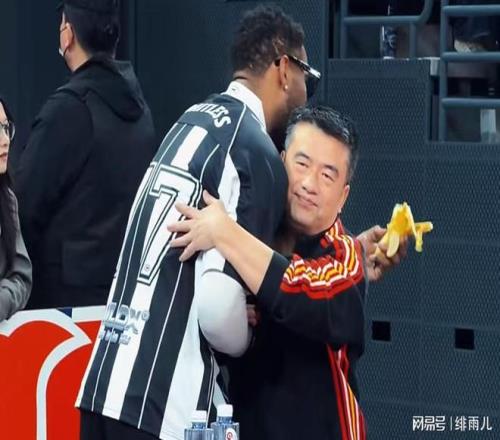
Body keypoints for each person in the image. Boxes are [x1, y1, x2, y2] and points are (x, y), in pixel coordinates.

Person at [77, 5, 316, 440]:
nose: (307, 91)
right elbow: (218, 310)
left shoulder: (188, 121)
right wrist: (247, 333)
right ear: (284, 68)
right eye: (307, 76)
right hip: (166, 407)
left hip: (102, 389)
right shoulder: (256, 152)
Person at [168, 106, 403, 440]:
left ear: (343, 197)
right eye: (301, 164)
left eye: (327, 176)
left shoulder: (348, 255)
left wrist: (223, 231)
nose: (309, 184)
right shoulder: (252, 236)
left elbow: (300, 289)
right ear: (279, 163)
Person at [13, 0, 156, 309]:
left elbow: (23, 209)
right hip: (121, 299)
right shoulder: (141, 109)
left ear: (67, 35)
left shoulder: (68, 110)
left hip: (60, 314)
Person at [0, 97, 32, 322]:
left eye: (5, 128)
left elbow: (21, 276)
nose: (4, 140)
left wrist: (3, 301)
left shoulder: (7, 200)